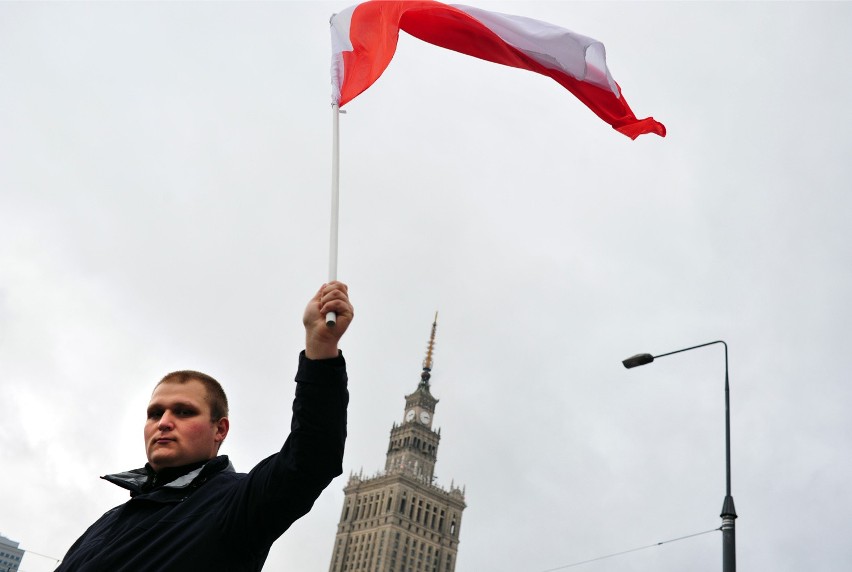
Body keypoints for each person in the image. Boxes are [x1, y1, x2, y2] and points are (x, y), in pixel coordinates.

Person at [56, 282, 354, 571]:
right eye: (155, 413)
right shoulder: (107, 523)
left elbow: (311, 457)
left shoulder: (234, 506)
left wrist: (321, 348)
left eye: (184, 412)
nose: (164, 423)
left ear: (220, 430)